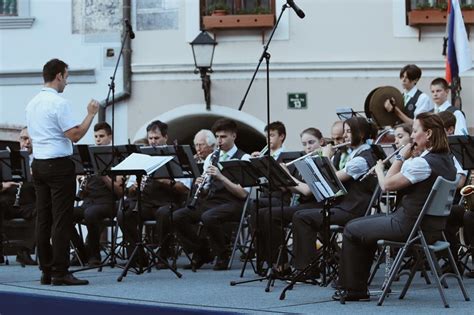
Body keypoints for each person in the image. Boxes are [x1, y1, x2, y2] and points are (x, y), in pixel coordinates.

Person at [335, 112, 456, 302]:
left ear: (429, 134)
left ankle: (352, 289)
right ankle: (357, 287)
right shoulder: (447, 160)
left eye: (415, 131)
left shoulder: (422, 164)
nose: (413, 136)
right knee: (362, 226)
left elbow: (387, 185)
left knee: (351, 228)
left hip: (409, 226)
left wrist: (393, 162)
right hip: (431, 229)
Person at [26, 58, 99, 285]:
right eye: (66, 76)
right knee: (61, 219)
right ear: (58, 75)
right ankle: (60, 272)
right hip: (58, 165)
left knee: (44, 219)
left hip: (38, 164)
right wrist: (91, 114)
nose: (67, 81)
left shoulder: (32, 103)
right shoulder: (58, 102)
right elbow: (74, 135)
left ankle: (46, 271)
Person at [291, 117, 378, 276]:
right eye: (344, 131)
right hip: (344, 206)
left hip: (352, 209)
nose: (345, 136)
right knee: (300, 215)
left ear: (362, 133)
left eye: (349, 131)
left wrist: (325, 158)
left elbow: (333, 181)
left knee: (302, 217)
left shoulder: (362, 159)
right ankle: (311, 263)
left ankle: (307, 269)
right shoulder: (355, 154)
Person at [173, 118, 250, 271]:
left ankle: (222, 254)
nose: (219, 141)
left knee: (209, 216)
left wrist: (221, 177)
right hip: (212, 201)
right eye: (217, 137)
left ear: (233, 136)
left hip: (234, 203)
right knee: (178, 216)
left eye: (223, 137)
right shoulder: (211, 157)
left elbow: (243, 194)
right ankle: (201, 250)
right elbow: (207, 189)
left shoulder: (244, 158)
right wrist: (201, 185)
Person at [117, 120, 190, 267]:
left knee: (164, 214)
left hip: (167, 202)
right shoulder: (142, 157)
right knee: (124, 214)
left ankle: (162, 255)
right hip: (145, 203)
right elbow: (129, 188)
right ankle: (138, 256)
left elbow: (185, 189)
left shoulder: (177, 157)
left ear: (165, 138)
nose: (153, 142)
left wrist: (164, 181)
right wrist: (135, 186)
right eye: (150, 138)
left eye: (156, 138)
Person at [70, 122, 124, 266]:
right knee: (64, 214)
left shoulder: (116, 158)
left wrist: (103, 176)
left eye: (102, 136)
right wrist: (82, 181)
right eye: (96, 137)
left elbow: (119, 191)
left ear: (110, 137)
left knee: (90, 214)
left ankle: (95, 255)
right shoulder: (89, 158)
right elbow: (85, 191)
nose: (98, 139)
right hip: (88, 202)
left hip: (108, 203)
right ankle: (81, 251)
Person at [0, 128, 37, 265]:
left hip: (29, 204)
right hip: (7, 202)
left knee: (42, 212)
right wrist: (4, 185)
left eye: (29, 139)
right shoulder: (6, 160)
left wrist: (35, 177)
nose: (26, 142)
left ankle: (24, 251)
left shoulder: (40, 162)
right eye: (23, 138)